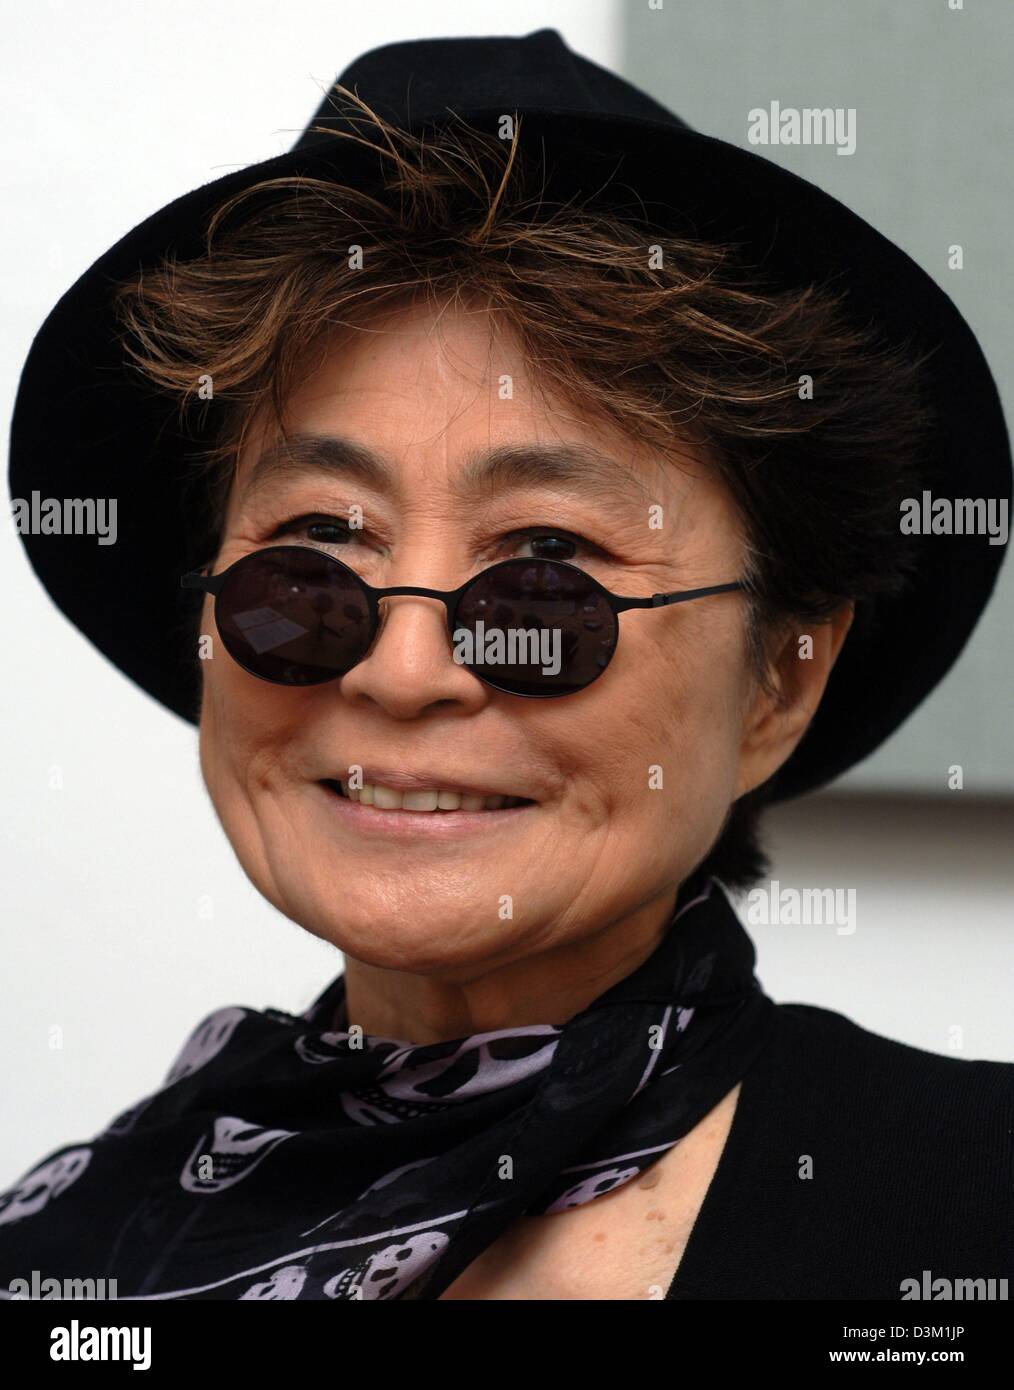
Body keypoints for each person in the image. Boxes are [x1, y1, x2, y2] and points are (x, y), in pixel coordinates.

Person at [3, 30, 1011, 1301]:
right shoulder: (61, 1266)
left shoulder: (970, 1216)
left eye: (549, 564)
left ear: (779, 681)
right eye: (315, 547)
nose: (407, 669)